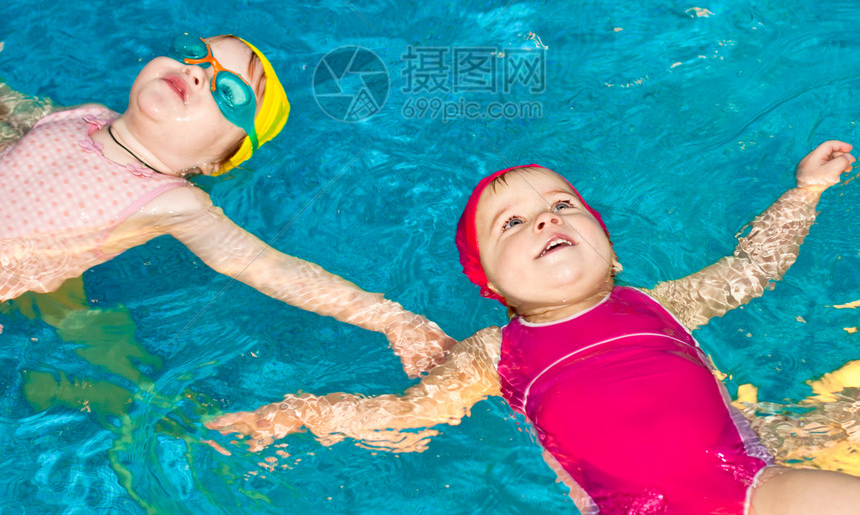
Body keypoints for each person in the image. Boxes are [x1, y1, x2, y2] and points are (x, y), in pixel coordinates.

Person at [209, 141, 860, 514]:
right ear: (490, 284)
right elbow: (407, 413)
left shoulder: (663, 304)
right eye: (512, 225)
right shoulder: (495, 352)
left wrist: (804, 192)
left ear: (608, 243)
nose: (545, 220)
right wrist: (289, 417)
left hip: (757, 486)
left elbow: (754, 267)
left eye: (561, 205)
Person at [0, 33, 450, 376]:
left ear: (215, 161)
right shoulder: (85, 115)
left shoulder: (173, 202)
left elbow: (267, 266)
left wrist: (393, 320)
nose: (197, 73)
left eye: (229, 92)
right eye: (195, 53)